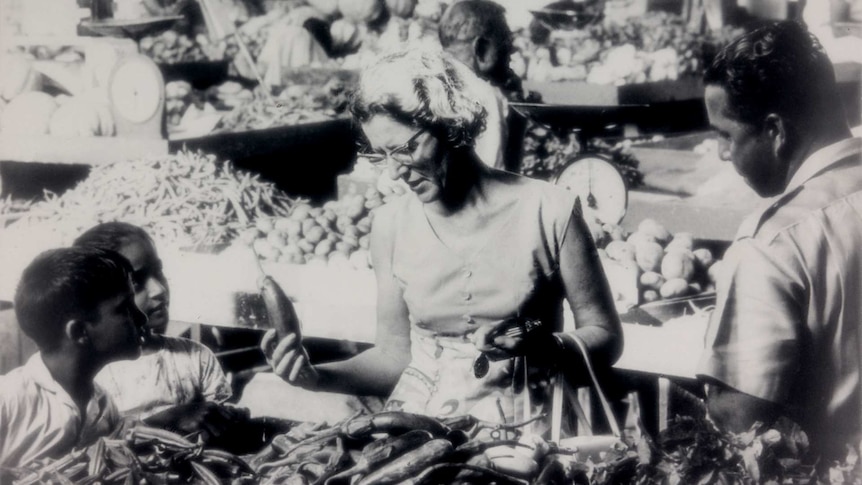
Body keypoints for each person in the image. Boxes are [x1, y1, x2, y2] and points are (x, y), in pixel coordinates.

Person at [263, 48, 622, 429]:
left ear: (449, 125)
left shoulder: (550, 210)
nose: (394, 172)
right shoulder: (390, 225)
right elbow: (392, 357)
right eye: (381, 155)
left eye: (405, 149)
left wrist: (547, 347)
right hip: (424, 431)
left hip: (531, 428)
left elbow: (607, 337)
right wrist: (316, 378)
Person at [696, 20, 862, 463]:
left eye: (726, 135)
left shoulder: (773, 244)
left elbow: (740, 423)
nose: (722, 154)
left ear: (775, 132)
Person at [74, 222, 234, 436]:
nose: (158, 289)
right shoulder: (88, 375)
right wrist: (165, 421)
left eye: (158, 272)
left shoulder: (196, 358)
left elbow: (224, 432)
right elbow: (87, 450)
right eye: (137, 282)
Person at [0, 247, 147, 469]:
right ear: (79, 332)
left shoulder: (105, 406)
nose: (142, 317)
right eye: (124, 308)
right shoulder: (9, 399)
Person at [438, 0, 528, 171]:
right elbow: (494, 176)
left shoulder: (423, 78)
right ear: (481, 49)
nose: (511, 53)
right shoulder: (485, 95)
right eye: (506, 45)